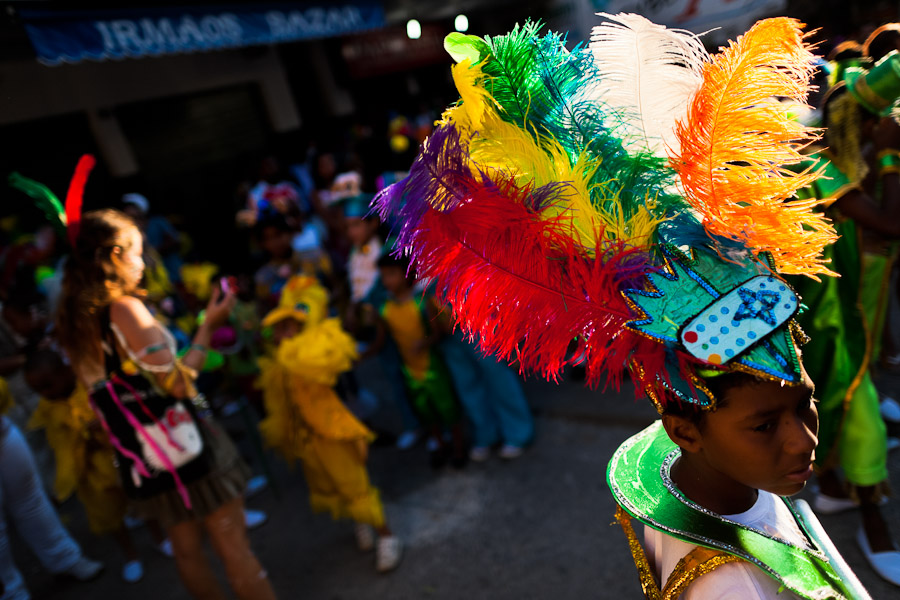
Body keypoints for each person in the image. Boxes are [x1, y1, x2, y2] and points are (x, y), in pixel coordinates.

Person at [375, 14, 866, 598]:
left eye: (804, 407)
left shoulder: (736, 484)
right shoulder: (727, 584)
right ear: (685, 432)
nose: (804, 440)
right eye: (764, 425)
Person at [55, 208, 276, 600]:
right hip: (186, 447)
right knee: (233, 547)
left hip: (147, 458)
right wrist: (208, 325)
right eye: (138, 252)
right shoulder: (124, 309)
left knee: (187, 553)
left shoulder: (76, 321)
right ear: (115, 256)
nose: (143, 262)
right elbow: (175, 384)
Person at [256, 275, 402, 572]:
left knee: (354, 484)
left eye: (288, 326)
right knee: (332, 484)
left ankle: (387, 537)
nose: (281, 333)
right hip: (308, 438)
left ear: (300, 325)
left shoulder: (313, 351)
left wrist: (295, 344)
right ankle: (362, 522)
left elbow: (324, 368)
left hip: (333, 430)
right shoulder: (284, 358)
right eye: (278, 328)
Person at [24, 348, 147, 583]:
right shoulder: (49, 410)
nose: (45, 394)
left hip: (119, 460)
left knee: (141, 499)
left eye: (48, 385)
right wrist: (65, 479)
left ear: (66, 371)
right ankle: (131, 555)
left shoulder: (92, 388)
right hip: (90, 475)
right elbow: (61, 447)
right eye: (37, 390)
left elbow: (121, 419)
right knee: (109, 515)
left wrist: (100, 431)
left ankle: (160, 537)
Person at [370, 254, 466, 468]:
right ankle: (440, 445)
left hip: (433, 367)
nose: (387, 281)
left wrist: (425, 343)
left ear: (406, 275)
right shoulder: (385, 309)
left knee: (447, 407)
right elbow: (381, 338)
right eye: (384, 276)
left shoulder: (421, 302)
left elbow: (438, 332)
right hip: (409, 370)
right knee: (425, 411)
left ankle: (459, 449)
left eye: (392, 274)